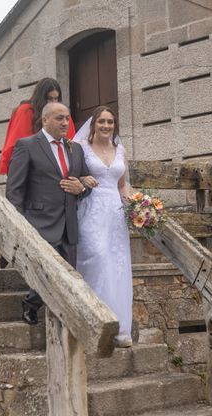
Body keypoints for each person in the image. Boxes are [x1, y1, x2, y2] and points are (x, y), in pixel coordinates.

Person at [6, 102, 91, 325]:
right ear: (45, 120)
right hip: (39, 222)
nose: (65, 123)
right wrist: (18, 224)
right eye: (59, 118)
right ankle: (32, 303)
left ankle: (37, 305)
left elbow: (87, 180)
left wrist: (82, 188)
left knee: (68, 274)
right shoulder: (26, 145)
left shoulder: (76, 149)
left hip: (70, 223)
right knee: (48, 271)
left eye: (67, 118)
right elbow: (14, 190)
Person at [74, 106, 134, 347]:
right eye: (101, 121)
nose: (106, 126)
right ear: (94, 124)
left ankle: (119, 328)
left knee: (117, 265)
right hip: (91, 209)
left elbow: (122, 184)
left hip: (115, 213)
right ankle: (93, 322)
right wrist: (81, 180)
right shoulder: (81, 148)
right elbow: (72, 175)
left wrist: (135, 205)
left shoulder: (121, 150)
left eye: (110, 122)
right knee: (96, 258)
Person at [0, 78, 76, 175]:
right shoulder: (25, 111)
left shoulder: (63, 114)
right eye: (49, 98)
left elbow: (71, 144)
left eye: (56, 98)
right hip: (32, 169)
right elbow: (19, 145)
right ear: (41, 97)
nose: (53, 102)